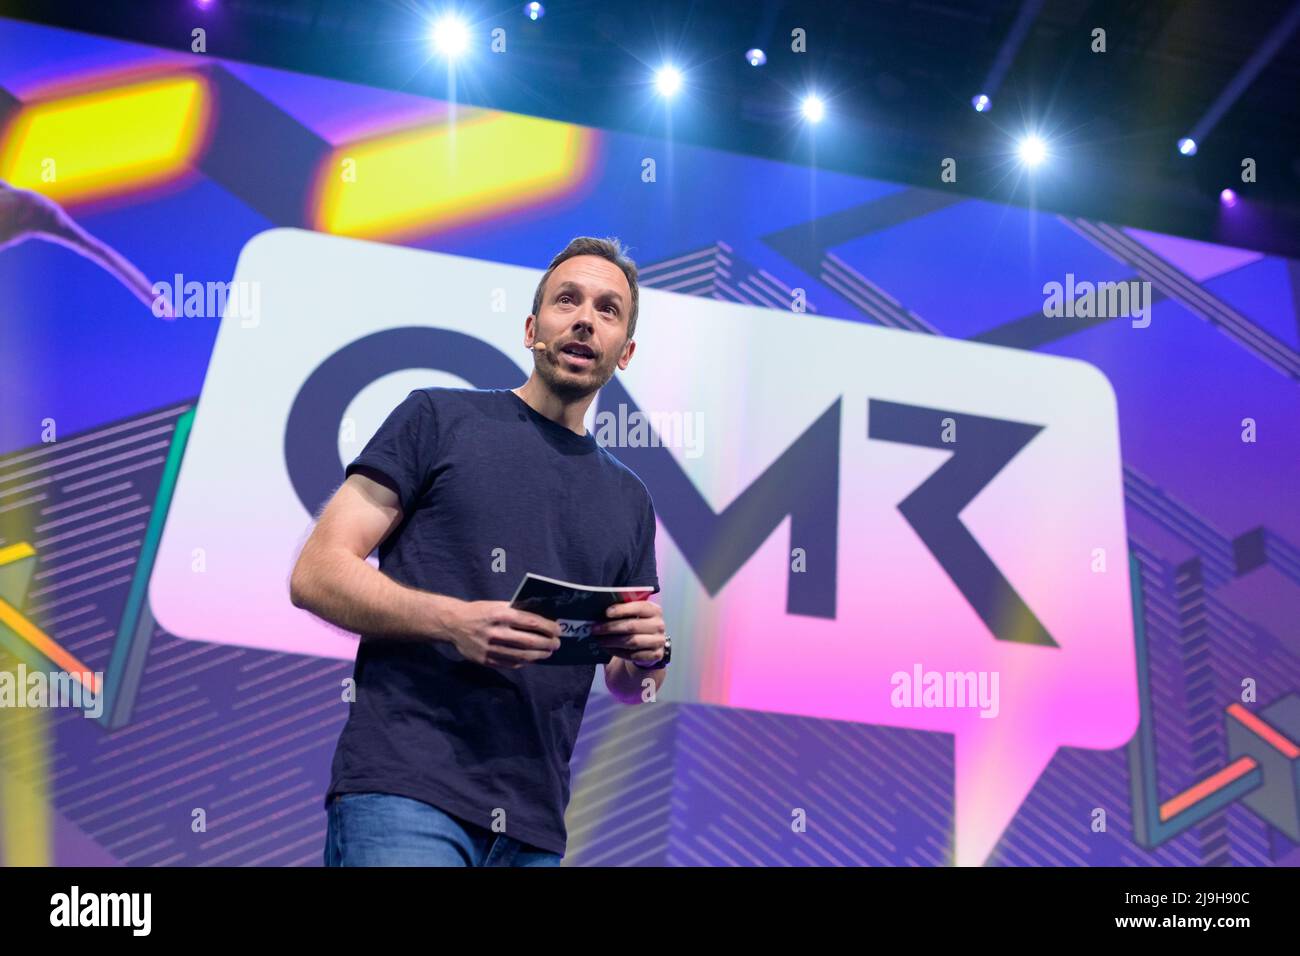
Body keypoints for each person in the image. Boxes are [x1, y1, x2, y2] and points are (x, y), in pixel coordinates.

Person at [290, 236, 668, 867]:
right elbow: (317, 571)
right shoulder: (437, 419)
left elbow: (628, 685)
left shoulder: (631, 500)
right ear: (531, 327)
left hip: (535, 828)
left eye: (608, 310)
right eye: (566, 300)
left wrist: (652, 653)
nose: (584, 318)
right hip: (405, 790)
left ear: (624, 351)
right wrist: (454, 623)